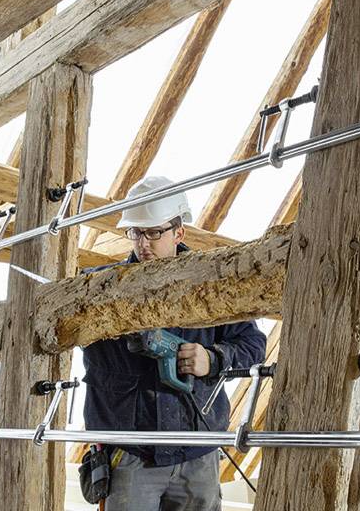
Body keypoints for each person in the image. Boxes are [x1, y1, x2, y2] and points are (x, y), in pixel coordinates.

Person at [81, 176, 267, 511]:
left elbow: (253, 343)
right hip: (130, 456)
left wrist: (215, 359)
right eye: (136, 232)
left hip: (198, 454)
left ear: (178, 232)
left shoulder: (210, 282)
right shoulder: (100, 291)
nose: (143, 243)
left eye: (154, 232)